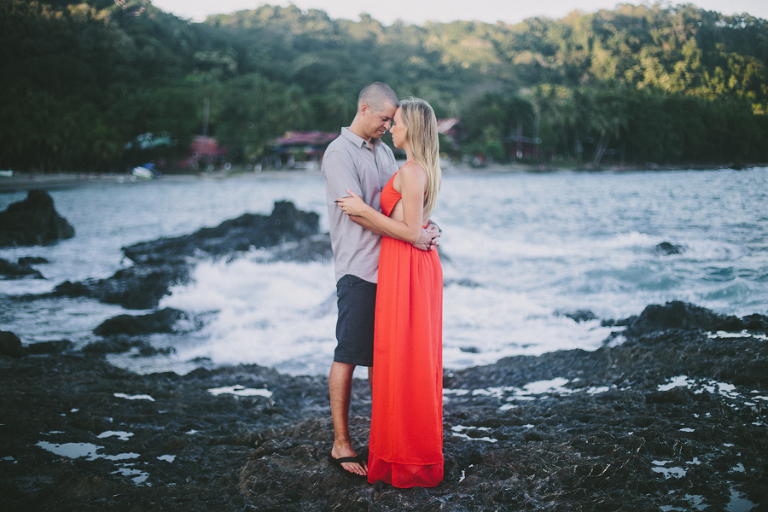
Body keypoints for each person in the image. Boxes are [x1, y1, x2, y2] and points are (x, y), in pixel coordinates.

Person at [322, 84, 440, 477]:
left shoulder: (386, 152)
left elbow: (405, 198)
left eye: (394, 121)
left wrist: (423, 224)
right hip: (359, 268)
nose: (388, 126)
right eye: (384, 118)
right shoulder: (338, 153)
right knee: (348, 354)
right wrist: (413, 233)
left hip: (392, 269)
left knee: (384, 361)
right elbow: (355, 213)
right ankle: (341, 444)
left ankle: (383, 438)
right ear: (364, 108)